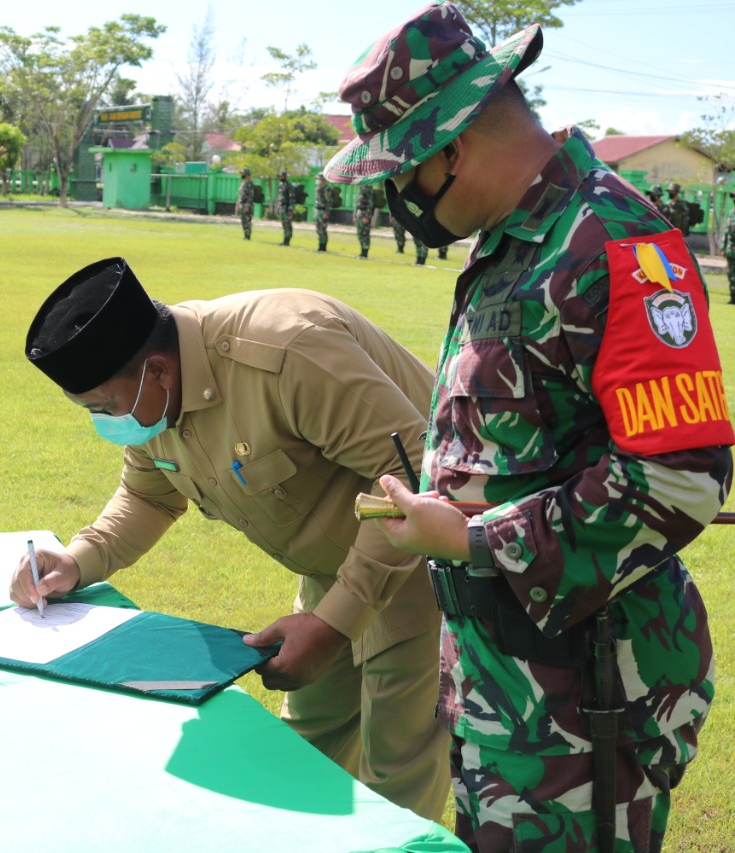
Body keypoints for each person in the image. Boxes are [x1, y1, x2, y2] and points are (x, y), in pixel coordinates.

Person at [323, 5, 733, 851]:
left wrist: (475, 539)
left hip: (588, 711)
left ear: (452, 146)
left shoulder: (612, 241)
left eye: (400, 175)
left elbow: (681, 475)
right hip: (507, 691)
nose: (401, 203)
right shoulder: (516, 243)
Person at [13, 257, 450, 819]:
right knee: (303, 750)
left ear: (159, 370)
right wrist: (76, 561)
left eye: (106, 406)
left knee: (397, 768)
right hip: (333, 568)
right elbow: (149, 494)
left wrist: (334, 622)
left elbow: (418, 472)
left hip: (424, 559)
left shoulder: (286, 350)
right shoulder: (154, 403)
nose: (107, 422)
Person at [354, 182, 374, 259]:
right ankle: (362, 251)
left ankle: (365, 253)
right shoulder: (360, 189)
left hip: (365, 213)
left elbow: (370, 204)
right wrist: (355, 215)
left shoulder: (369, 190)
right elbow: (356, 204)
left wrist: (367, 216)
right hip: (359, 213)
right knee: (360, 233)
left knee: (365, 233)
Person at [314, 172, 331, 252]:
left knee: (322, 229)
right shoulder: (318, 188)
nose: (317, 180)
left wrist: (326, 213)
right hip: (318, 210)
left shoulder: (326, 189)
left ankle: (323, 247)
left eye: (319, 179)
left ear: (323, 180)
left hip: (323, 211)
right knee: (318, 229)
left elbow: (329, 202)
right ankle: (320, 246)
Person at [236, 167, 256, 240]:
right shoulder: (243, 183)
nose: (242, 175)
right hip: (242, 204)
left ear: (246, 174)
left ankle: (248, 236)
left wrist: (247, 205)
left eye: (243, 173)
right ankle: (245, 235)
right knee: (243, 220)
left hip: (247, 205)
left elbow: (251, 195)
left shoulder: (250, 183)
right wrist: (238, 204)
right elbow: (241, 194)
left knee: (247, 221)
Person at [276, 170, 294, 246]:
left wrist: (290, 209)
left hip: (287, 208)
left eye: (281, 176)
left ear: (285, 177)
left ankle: (287, 241)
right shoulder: (280, 185)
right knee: (284, 224)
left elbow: (292, 198)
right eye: (279, 176)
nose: (280, 177)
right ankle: (284, 241)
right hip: (282, 207)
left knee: (287, 224)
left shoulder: (289, 186)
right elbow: (279, 196)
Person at [723, 191, 735, 304]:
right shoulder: (731, 213)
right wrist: (723, 247)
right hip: (730, 251)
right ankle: (732, 297)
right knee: (730, 274)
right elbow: (726, 232)